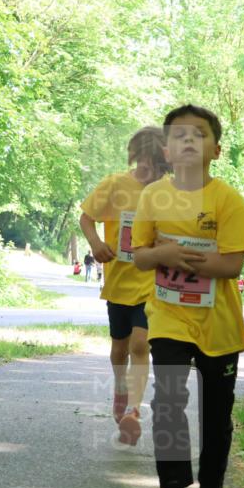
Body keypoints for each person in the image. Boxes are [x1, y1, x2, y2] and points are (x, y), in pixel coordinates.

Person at [132, 105, 244, 488]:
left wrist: (193, 259)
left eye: (199, 134)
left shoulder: (227, 200)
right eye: (179, 135)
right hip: (168, 317)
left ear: (216, 150)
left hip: (218, 325)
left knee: (217, 416)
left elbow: (233, 265)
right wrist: (163, 255)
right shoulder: (152, 197)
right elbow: (139, 255)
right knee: (166, 402)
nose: (188, 141)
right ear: (166, 150)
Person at [79, 126, 169, 445]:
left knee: (140, 345)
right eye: (147, 162)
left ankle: (133, 409)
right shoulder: (116, 185)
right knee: (119, 347)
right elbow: (87, 218)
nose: (151, 170)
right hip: (118, 280)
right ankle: (120, 389)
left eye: (159, 165)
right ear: (137, 156)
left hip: (152, 283)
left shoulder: (169, 192)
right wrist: (96, 243)